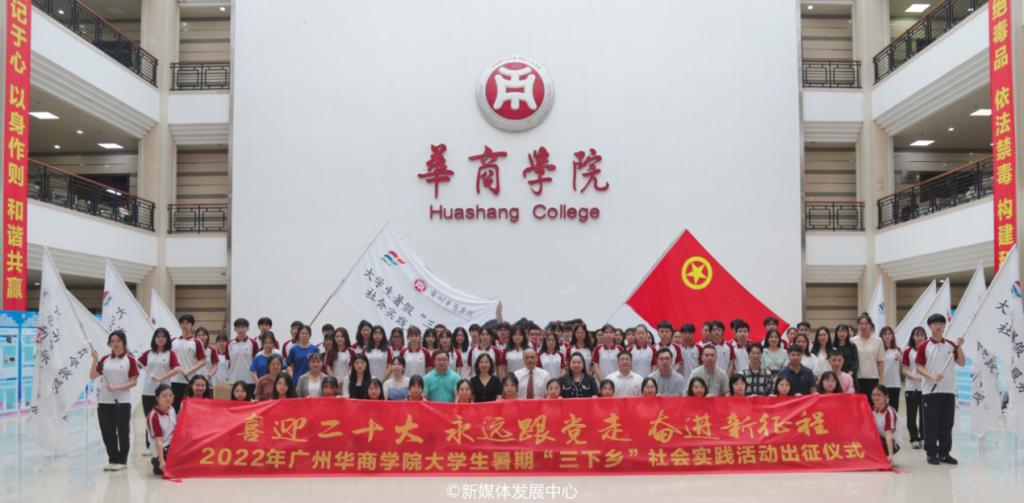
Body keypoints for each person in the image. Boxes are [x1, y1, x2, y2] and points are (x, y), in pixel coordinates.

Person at [914, 313, 965, 465]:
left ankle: (944, 453)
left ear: (944, 326)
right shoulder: (924, 346)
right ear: (930, 327)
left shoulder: (950, 345)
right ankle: (931, 453)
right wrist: (932, 376)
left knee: (947, 424)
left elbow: (962, 362)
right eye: (935, 324)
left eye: (941, 324)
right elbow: (918, 367)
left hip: (949, 391)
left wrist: (959, 347)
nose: (938, 326)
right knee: (931, 424)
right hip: (931, 391)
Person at [90, 330, 139, 471]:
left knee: (123, 431)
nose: (115, 343)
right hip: (104, 401)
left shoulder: (130, 359)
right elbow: (93, 375)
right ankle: (113, 459)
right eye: (112, 341)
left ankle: (122, 460)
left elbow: (134, 381)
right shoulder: (105, 359)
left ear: (123, 342)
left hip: (122, 401)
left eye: (118, 340)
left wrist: (117, 387)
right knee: (107, 432)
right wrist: (94, 359)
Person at [139, 328, 180, 450]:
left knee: (164, 419)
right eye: (158, 336)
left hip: (164, 393)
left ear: (167, 339)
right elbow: (137, 365)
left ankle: (165, 445)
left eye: (163, 336)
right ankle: (150, 447)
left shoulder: (170, 354)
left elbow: (177, 369)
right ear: (154, 339)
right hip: (148, 391)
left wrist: (161, 378)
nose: (160, 339)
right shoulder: (148, 353)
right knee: (149, 418)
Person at [170, 314, 205, 411]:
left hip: (190, 381)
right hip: (174, 380)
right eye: (182, 323)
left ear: (192, 325)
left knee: (189, 408)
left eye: (187, 323)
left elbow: (202, 361)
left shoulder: (197, 342)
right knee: (174, 408)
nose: (185, 325)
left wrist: (188, 371)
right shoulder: (173, 341)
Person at [902, 326, 927, 449]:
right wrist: (914, 377)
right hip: (911, 388)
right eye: (917, 335)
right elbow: (904, 370)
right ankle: (914, 438)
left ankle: (923, 437)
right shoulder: (908, 351)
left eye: (922, 335)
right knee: (911, 416)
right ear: (912, 337)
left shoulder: (928, 350)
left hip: (926, 388)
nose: (920, 337)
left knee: (925, 415)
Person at [852, 314, 885, 403]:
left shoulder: (878, 341)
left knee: (873, 405)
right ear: (858, 325)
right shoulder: (852, 341)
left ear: (870, 325)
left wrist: (881, 379)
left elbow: (880, 361)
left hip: (873, 379)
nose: (864, 326)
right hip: (857, 379)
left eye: (866, 324)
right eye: (861, 324)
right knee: (859, 405)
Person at [147, 384, 176, 476]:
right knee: (168, 464)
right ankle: (157, 460)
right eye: (164, 396)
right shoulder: (154, 416)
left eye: (170, 395)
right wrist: (162, 460)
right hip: (160, 447)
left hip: (172, 444)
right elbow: (158, 440)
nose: (168, 398)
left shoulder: (171, 409)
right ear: (157, 398)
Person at [226, 318, 259, 396]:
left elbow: (256, 362)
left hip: (249, 380)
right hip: (233, 379)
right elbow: (228, 361)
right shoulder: (230, 344)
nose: (240, 330)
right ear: (235, 329)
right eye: (238, 327)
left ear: (247, 328)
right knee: (235, 402)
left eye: (243, 327)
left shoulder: (253, 343)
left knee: (249, 402)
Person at [872, 384, 899, 465]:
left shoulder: (889, 412)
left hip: (893, 443)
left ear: (886, 397)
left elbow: (888, 434)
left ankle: (887, 456)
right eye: (874, 395)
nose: (876, 397)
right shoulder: (873, 410)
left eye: (879, 395)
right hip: (880, 439)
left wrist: (890, 455)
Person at [879, 326, 902, 410]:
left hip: (895, 384)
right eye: (885, 334)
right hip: (882, 383)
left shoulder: (898, 350)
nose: (887, 336)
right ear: (881, 336)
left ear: (892, 336)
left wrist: (901, 359)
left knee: (894, 409)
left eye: (889, 334)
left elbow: (904, 366)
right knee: (882, 408)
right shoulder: (879, 350)